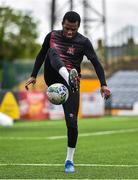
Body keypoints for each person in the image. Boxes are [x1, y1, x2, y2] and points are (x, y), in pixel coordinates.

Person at [25, 11, 111, 173]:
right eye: (67, 28)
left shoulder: (83, 42)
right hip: (53, 76)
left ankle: (69, 161)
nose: (70, 32)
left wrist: (103, 84)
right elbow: (41, 55)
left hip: (72, 85)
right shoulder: (52, 36)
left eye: (74, 29)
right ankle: (66, 74)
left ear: (78, 27)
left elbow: (96, 63)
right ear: (62, 24)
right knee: (51, 51)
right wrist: (33, 75)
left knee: (72, 123)